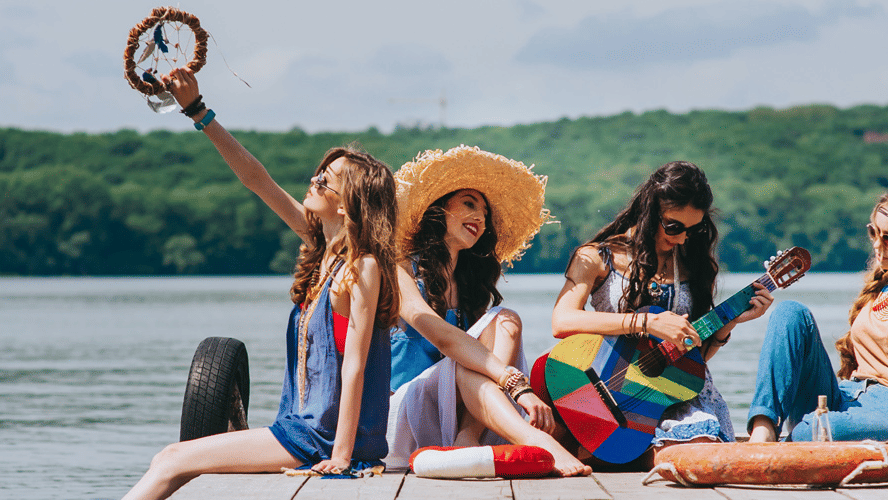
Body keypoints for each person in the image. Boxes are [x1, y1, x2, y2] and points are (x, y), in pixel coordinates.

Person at [123, 67, 400, 500]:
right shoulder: (322, 250)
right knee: (171, 463)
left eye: (325, 180)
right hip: (300, 428)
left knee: (171, 459)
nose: (313, 180)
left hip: (320, 438)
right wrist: (198, 111)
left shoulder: (362, 267)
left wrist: (343, 455)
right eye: (317, 172)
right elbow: (257, 179)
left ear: (348, 205)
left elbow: (356, 365)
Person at [549, 161, 773, 468]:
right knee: (692, 458)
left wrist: (728, 324)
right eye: (674, 226)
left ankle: (618, 454)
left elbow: (692, 361)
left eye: (692, 231)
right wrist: (646, 322)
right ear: (650, 211)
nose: (682, 239)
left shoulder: (695, 267)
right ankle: (619, 449)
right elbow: (562, 322)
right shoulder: (596, 257)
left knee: (699, 453)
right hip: (605, 390)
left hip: (675, 397)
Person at [385, 145, 592, 477]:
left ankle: (468, 436)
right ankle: (533, 439)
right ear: (439, 209)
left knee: (503, 321)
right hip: (401, 415)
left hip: (452, 413)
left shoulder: (469, 286)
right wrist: (516, 385)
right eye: (469, 204)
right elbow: (443, 339)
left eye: (485, 213)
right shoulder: (401, 268)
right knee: (471, 359)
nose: (480, 218)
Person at [748, 193, 888, 442]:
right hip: (847, 394)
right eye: (873, 233)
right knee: (789, 312)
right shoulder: (879, 287)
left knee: (810, 430)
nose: (877, 245)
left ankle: (799, 438)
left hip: (883, 407)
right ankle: (763, 429)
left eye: (887, 238)